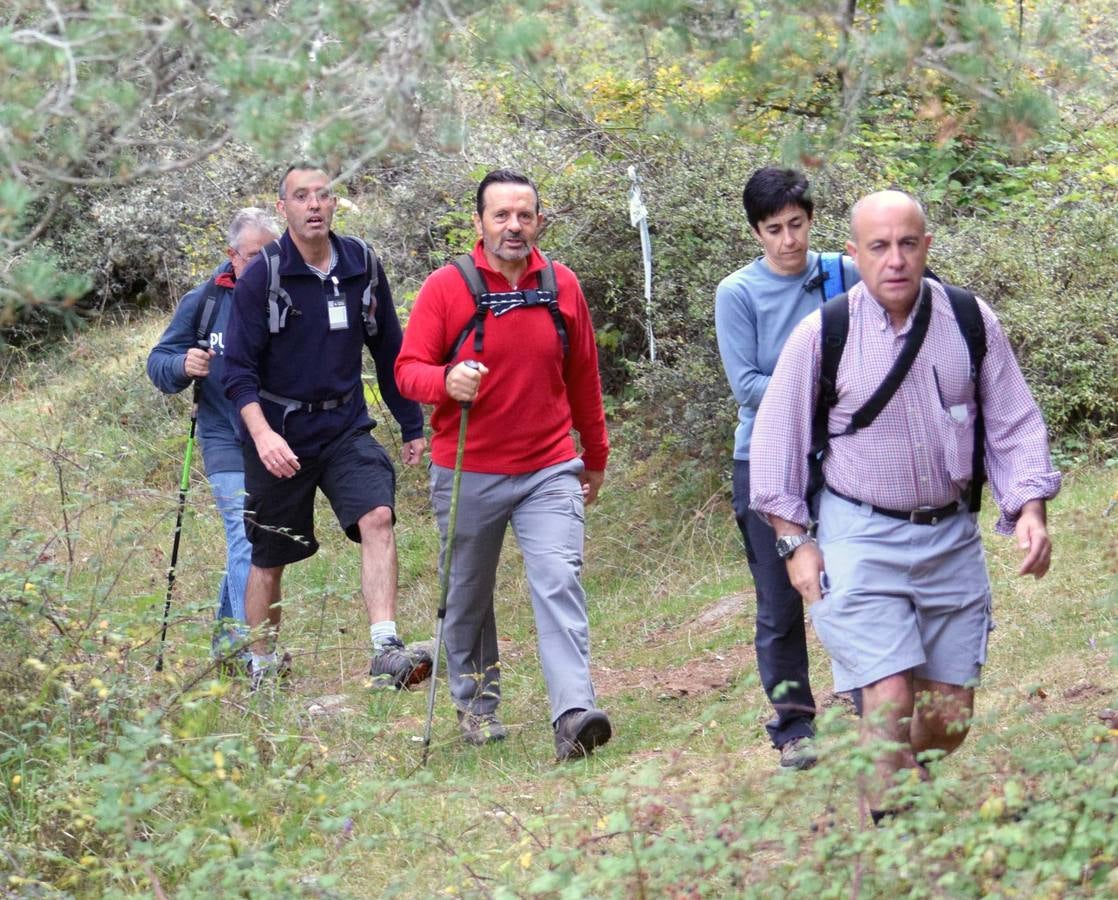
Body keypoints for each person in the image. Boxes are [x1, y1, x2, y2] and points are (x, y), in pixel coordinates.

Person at [750, 190, 1059, 822]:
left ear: (926, 246)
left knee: (948, 718)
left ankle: (901, 777)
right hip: (857, 534)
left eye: (907, 244)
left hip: (950, 537)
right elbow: (775, 442)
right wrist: (793, 541)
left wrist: (1030, 508)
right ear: (854, 255)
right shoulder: (824, 334)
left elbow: (1012, 423)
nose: (895, 260)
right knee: (886, 698)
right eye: (879, 246)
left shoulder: (970, 322)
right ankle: (896, 835)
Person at [395, 169, 612, 761]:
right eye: (501, 215)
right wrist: (446, 380)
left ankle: (574, 713)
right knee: (468, 593)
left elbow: (583, 376)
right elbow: (407, 370)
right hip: (469, 469)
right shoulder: (447, 288)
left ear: (539, 221)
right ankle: (477, 706)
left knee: (559, 580)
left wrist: (594, 455)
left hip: (548, 466)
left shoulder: (561, 284)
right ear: (479, 223)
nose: (513, 226)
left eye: (524, 215)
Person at [222, 164, 431, 690]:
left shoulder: (362, 263)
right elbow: (236, 372)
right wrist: (263, 434)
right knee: (268, 555)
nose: (313, 205)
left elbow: (388, 348)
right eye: (301, 196)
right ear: (283, 208)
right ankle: (263, 667)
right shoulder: (261, 276)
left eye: (322, 195)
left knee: (378, 516)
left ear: (336, 203)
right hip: (278, 432)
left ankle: (386, 647)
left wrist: (410, 422)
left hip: (343, 424)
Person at [714, 167, 859, 770]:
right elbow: (746, 385)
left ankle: (866, 687)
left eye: (797, 225)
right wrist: (824, 384)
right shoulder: (737, 293)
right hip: (766, 459)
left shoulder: (842, 273)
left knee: (856, 573)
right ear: (756, 233)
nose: (789, 241)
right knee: (779, 601)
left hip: (846, 453)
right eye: (774, 230)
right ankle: (794, 726)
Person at [147, 207, 281, 668]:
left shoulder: (289, 295)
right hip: (224, 434)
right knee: (247, 537)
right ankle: (252, 655)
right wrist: (183, 364)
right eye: (254, 256)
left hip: (275, 436)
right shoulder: (204, 301)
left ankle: (225, 647)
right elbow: (158, 362)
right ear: (232, 255)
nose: (264, 265)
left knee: (253, 538)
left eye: (272, 254)